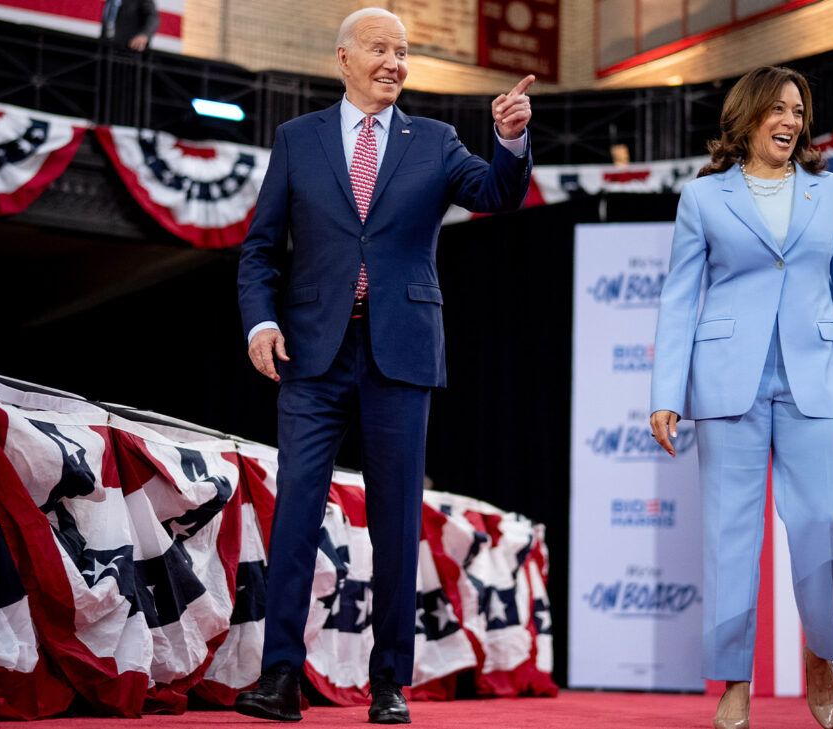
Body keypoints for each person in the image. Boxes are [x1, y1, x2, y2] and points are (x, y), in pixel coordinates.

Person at [234, 7, 532, 725]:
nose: (394, 63)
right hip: (311, 353)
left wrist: (512, 140)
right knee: (297, 512)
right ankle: (280, 676)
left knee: (396, 521)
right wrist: (262, 322)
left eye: (403, 52)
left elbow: (497, 193)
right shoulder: (297, 140)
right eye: (380, 50)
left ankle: (389, 681)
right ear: (344, 58)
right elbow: (259, 249)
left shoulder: (434, 141)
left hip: (400, 354)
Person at [648, 66, 833, 729]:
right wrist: (664, 393)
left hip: (812, 377)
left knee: (819, 520)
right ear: (748, 117)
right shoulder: (702, 200)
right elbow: (678, 301)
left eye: (798, 111)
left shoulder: (830, 194)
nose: (790, 120)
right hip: (729, 382)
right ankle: (734, 679)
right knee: (731, 537)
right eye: (778, 109)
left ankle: (819, 650)